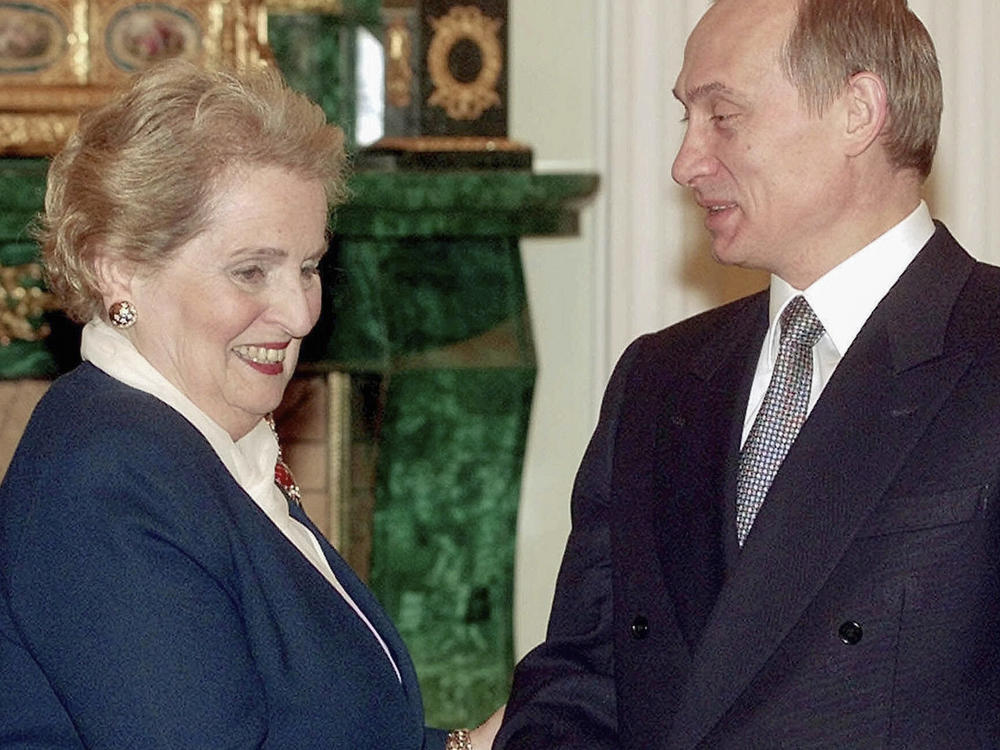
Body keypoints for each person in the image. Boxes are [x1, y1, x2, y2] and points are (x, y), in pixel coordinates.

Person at [494, 0, 1000, 747]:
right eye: (686, 120)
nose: (685, 162)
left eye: (723, 116)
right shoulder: (658, 378)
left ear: (857, 112)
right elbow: (580, 680)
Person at [0, 59, 501, 749]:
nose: (298, 313)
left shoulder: (195, 445)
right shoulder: (109, 478)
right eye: (250, 270)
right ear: (119, 269)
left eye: (307, 267)